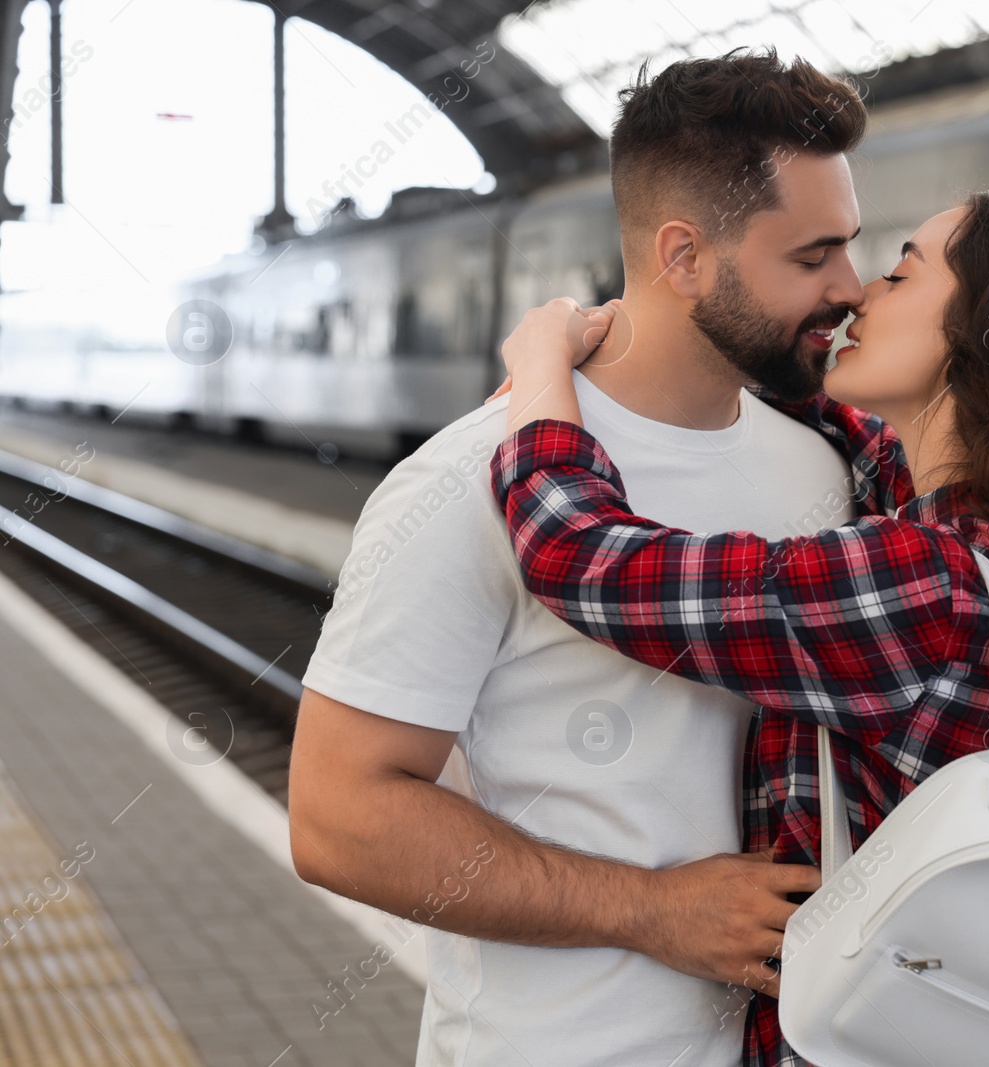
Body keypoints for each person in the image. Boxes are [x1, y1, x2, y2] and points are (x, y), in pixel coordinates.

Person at [287, 50, 905, 1066]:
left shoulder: (828, 469)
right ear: (682, 256)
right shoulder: (469, 477)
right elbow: (338, 815)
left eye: (851, 247)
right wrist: (649, 909)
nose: (849, 285)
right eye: (811, 256)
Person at [489, 190, 989, 1067]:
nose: (860, 295)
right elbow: (862, 437)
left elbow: (579, 554)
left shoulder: (924, 585)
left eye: (900, 274)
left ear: (988, 336)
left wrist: (542, 362)